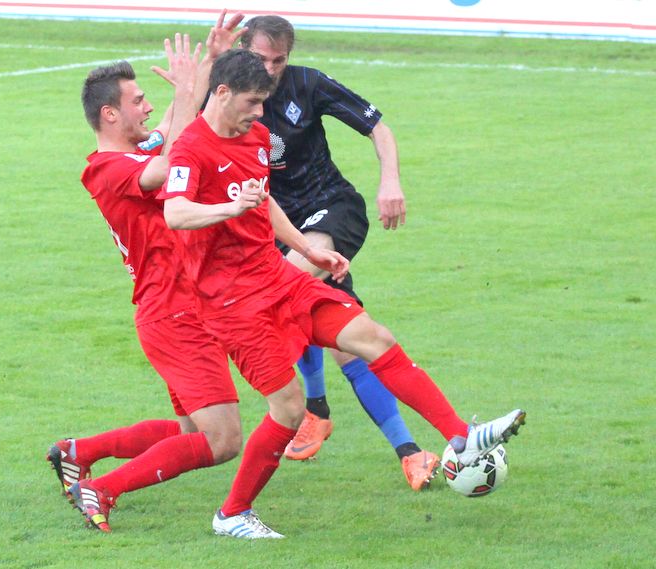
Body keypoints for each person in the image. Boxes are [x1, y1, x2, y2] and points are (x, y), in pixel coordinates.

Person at [160, 49, 526, 538]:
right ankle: (232, 514)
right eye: (251, 102)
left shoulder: (257, 136)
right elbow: (175, 213)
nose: (260, 112)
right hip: (231, 303)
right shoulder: (191, 148)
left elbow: (263, 202)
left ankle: (462, 435)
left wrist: (308, 250)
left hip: (276, 277)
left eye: (264, 102)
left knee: (374, 337)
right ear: (221, 93)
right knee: (289, 410)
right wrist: (228, 209)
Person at [46, 13, 276, 536]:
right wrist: (193, 90)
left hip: (182, 307)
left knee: (191, 431)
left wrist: (212, 63)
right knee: (222, 440)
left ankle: (79, 452)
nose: (149, 106)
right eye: (138, 101)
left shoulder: (137, 150)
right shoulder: (107, 169)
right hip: (174, 312)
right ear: (110, 114)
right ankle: (102, 490)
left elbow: (174, 131)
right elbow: (177, 158)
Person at [236, 15, 438, 489]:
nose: (270, 70)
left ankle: (313, 407)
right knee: (349, 339)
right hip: (276, 227)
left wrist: (391, 181)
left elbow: (377, 127)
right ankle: (408, 451)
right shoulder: (226, 95)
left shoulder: (306, 84)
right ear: (242, 51)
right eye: (261, 59)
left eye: (279, 60)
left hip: (331, 210)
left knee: (286, 285)